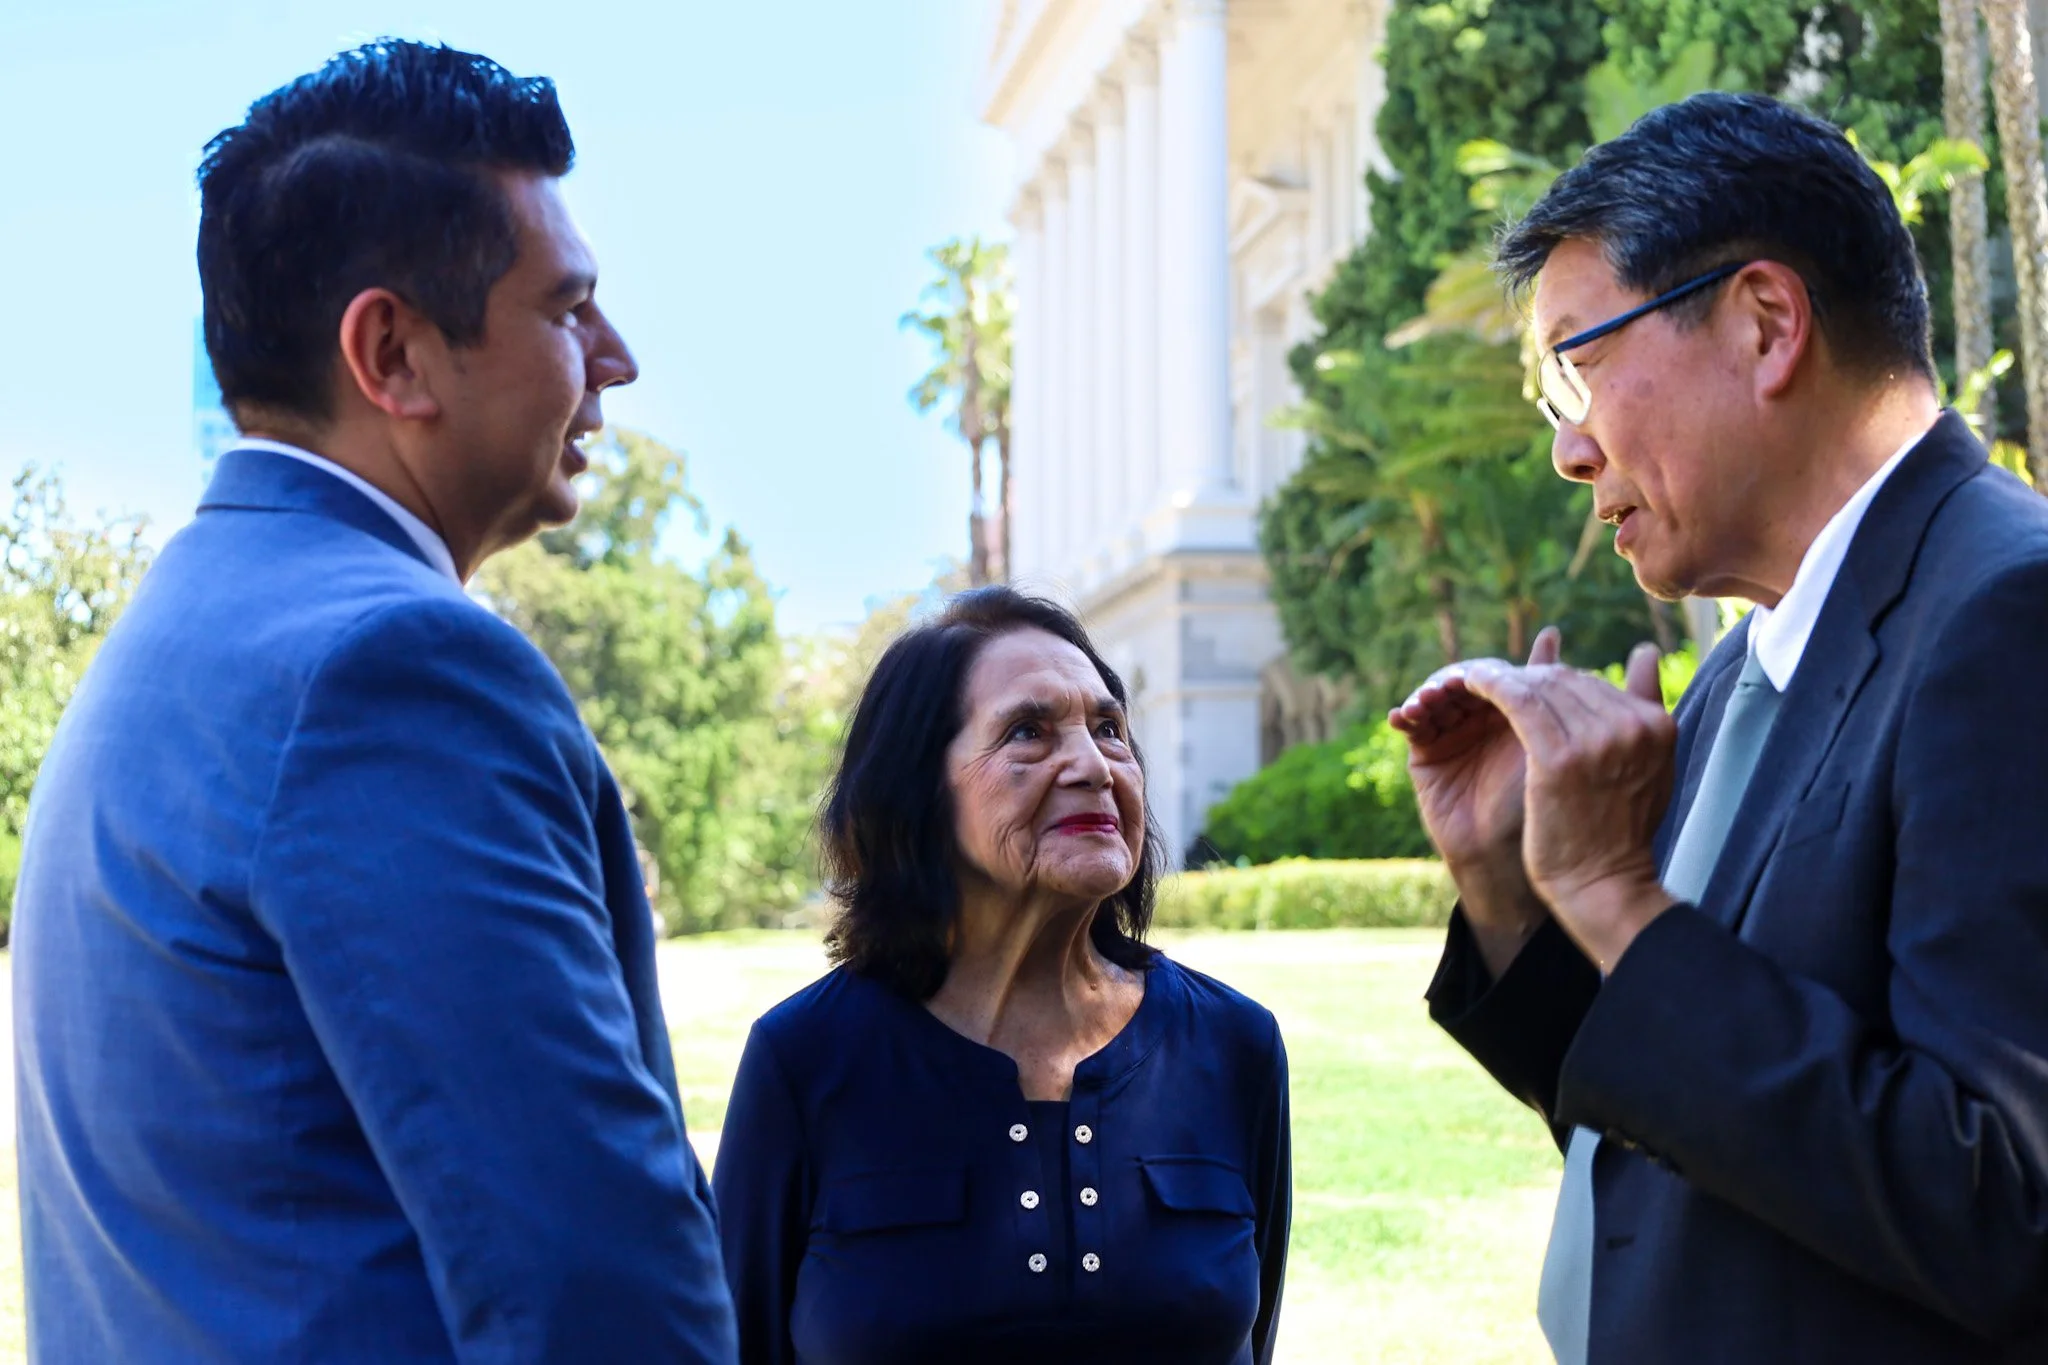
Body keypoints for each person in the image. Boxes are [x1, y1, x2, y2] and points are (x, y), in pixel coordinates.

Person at [13, 40, 738, 1363]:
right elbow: (593, 1284)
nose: (614, 359)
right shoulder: (389, 672)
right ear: (393, 351)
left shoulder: (174, 639)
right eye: (568, 308)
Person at [1389, 91, 2048, 1363]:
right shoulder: (1747, 663)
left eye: (1577, 366)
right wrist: (1517, 900)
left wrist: (1614, 898)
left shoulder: (2005, 617)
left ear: (1762, 323)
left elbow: (1999, 1204)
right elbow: (1671, 1125)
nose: (1568, 450)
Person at [712, 587, 1290, 1365]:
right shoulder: (805, 1060)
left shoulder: (1234, 1045)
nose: (1092, 764)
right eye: (1028, 731)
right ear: (918, 792)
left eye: (1111, 728)